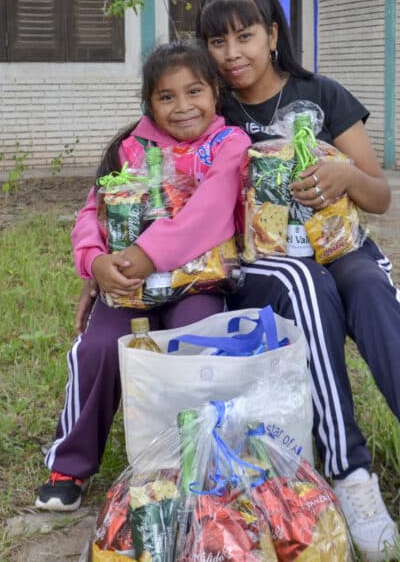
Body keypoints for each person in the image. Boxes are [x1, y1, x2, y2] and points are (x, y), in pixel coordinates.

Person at [193, 0, 400, 562]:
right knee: (305, 285)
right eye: (217, 42)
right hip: (264, 264)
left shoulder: (322, 96)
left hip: (338, 245)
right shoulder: (210, 108)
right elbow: (147, 157)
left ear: (273, 35)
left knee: (373, 288)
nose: (230, 54)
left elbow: (380, 195)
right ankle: (350, 476)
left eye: (244, 36)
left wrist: (347, 176)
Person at [35, 40, 251, 512]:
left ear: (214, 92)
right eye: (166, 97)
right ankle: (68, 463)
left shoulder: (229, 146)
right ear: (149, 103)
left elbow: (209, 215)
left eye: (194, 91)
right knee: (97, 350)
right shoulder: (132, 147)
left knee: (194, 345)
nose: (182, 106)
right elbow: (94, 210)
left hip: (198, 283)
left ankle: (193, 464)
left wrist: (140, 257)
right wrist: (95, 262)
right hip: (127, 287)